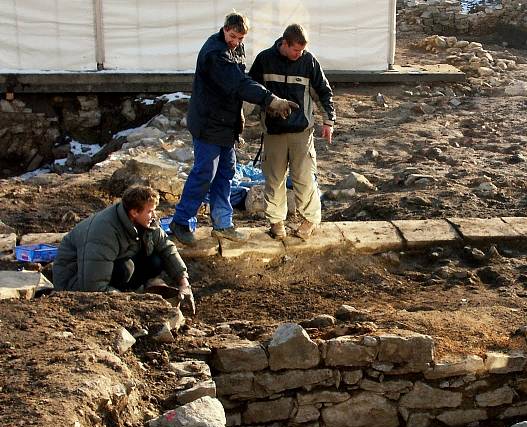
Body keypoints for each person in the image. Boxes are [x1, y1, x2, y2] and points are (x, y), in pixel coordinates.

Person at [169, 11, 299, 246]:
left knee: (226, 173)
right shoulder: (214, 53)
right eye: (232, 36)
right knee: (204, 173)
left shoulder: (235, 49)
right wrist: (270, 100)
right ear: (225, 29)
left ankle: (222, 224)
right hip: (208, 123)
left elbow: (239, 81)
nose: (236, 41)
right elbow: (238, 83)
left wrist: (239, 114)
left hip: (226, 125)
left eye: (240, 38)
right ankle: (181, 221)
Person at [248, 23, 336, 240]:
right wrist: (245, 115)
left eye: (303, 50)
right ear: (284, 44)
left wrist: (328, 122)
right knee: (274, 179)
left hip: (301, 133)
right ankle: (277, 223)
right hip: (273, 132)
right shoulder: (264, 60)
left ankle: (310, 220)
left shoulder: (308, 62)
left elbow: (323, 92)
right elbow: (250, 90)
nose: (300, 54)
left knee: (304, 178)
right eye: (296, 50)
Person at [52, 185, 195, 312]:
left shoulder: (145, 221)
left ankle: (138, 287)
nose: (154, 216)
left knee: (156, 261)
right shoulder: (103, 232)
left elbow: (167, 248)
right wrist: (129, 301)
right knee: (125, 268)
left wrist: (184, 283)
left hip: (105, 266)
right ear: (134, 212)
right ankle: (128, 291)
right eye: (150, 211)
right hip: (75, 279)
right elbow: (92, 287)